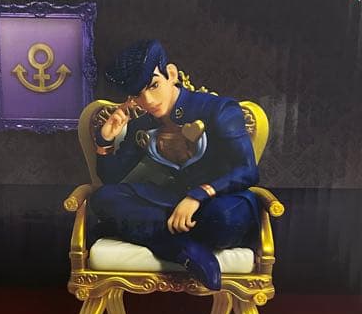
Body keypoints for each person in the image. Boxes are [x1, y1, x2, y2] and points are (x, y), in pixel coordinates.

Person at [89, 39, 259, 291]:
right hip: (170, 204)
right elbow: (110, 178)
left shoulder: (219, 110)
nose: (148, 100)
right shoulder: (142, 125)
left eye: (154, 85)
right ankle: (182, 248)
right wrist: (105, 140)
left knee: (224, 220)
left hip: (220, 201)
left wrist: (198, 195)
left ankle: (137, 228)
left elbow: (248, 170)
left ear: (171, 74)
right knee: (102, 198)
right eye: (137, 95)